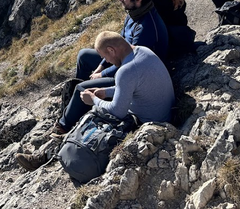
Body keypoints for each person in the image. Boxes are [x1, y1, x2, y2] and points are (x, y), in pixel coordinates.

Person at [16, 32, 175, 171]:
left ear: (112, 50)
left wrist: (94, 100)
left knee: (92, 119)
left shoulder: (125, 71)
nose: (108, 61)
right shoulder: (142, 51)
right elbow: (134, 87)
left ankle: (47, 156)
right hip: (162, 112)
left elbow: (116, 111)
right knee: (95, 112)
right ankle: (60, 142)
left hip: (149, 123)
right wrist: (105, 92)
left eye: (105, 57)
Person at [50, 0, 168, 137]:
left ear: (138, 0)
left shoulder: (145, 29)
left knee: (82, 88)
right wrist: (101, 67)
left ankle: (65, 126)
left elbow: (125, 69)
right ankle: (79, 104)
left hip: (135, 75)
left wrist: (101, 80)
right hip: (127, 65)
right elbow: (120, 44)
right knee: (84, 55)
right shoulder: (133, 14)